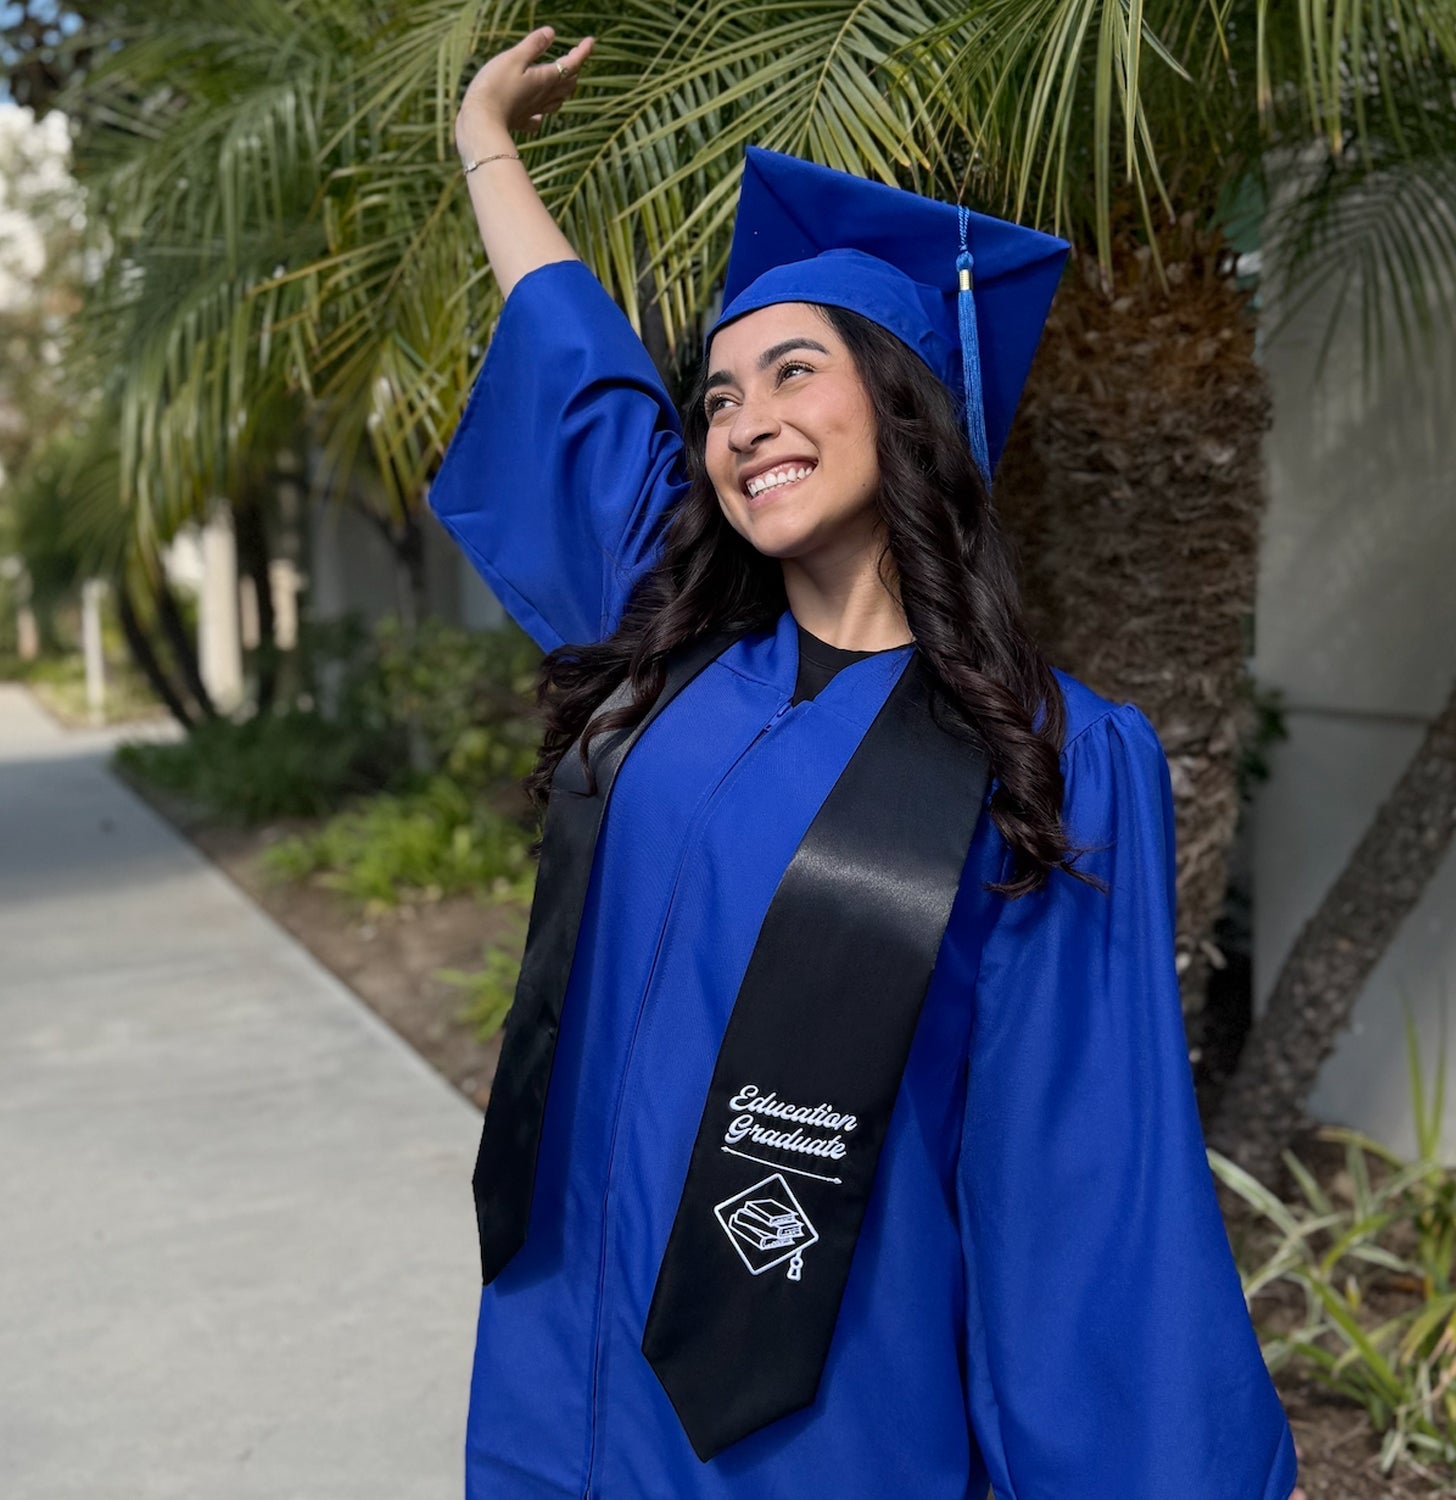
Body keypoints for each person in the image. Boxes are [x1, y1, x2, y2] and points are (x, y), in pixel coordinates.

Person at [434, 23, 1304, 1500]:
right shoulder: (675, 638)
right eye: (717, 398)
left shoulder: (1048, 755)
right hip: (559, 1378)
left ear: (905, 404)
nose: (745, 424)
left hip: (819, 1425)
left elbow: (1080, 1181)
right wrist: (488, 147)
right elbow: (578, 374)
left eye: (791, 373)